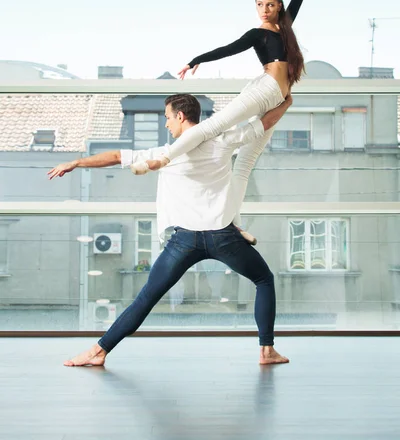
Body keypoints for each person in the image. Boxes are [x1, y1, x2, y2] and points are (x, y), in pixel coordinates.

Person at [48, 93, 292, 367]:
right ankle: (267, 350)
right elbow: (263, 124)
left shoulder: (164, 155)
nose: (166, 124)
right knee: (264, 280)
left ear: (180, 116)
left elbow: (116, 156)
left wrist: (77, 162)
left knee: (147, 297)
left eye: (166, 118)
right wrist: (285, 103)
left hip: (184, 241)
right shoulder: (223, 142)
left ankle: (99, 350)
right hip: (223, 237)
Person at [130, 0, 329, 178]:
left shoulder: (285, 28)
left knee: (246, 161)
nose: (264, 10)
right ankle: (160, 160)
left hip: (277, 98)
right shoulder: (257, 34)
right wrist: (197, 60)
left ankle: (231, 214)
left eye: (270, 5)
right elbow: (228, 49)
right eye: (260, 5)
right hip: (265, 90)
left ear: (279, 6)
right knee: (216, 125)